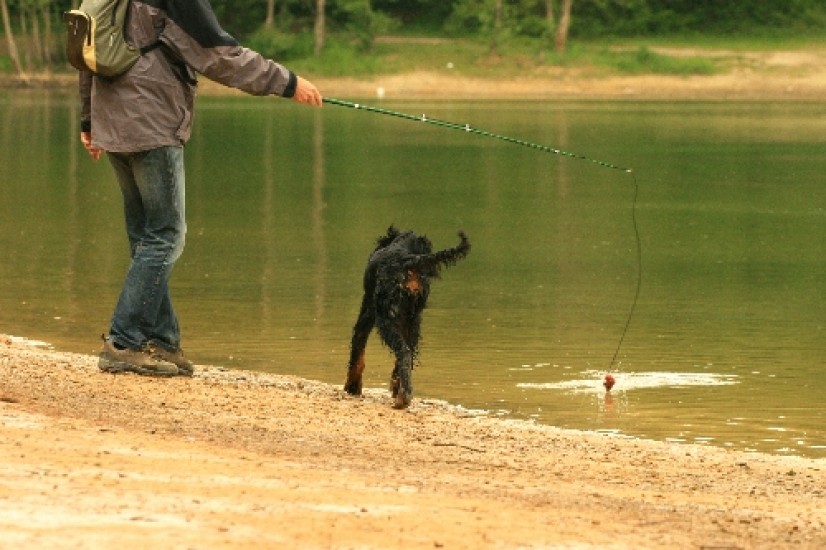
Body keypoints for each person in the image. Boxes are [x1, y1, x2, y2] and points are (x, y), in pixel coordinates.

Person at [78, 0, 322, 378]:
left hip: (113, 118)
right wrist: (287, 82)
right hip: (151, 122)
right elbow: (219, 56)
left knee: (146, 237)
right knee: (165, 236)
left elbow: (85, 52)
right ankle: (124, 342)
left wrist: (88, 118)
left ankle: (162, 341)